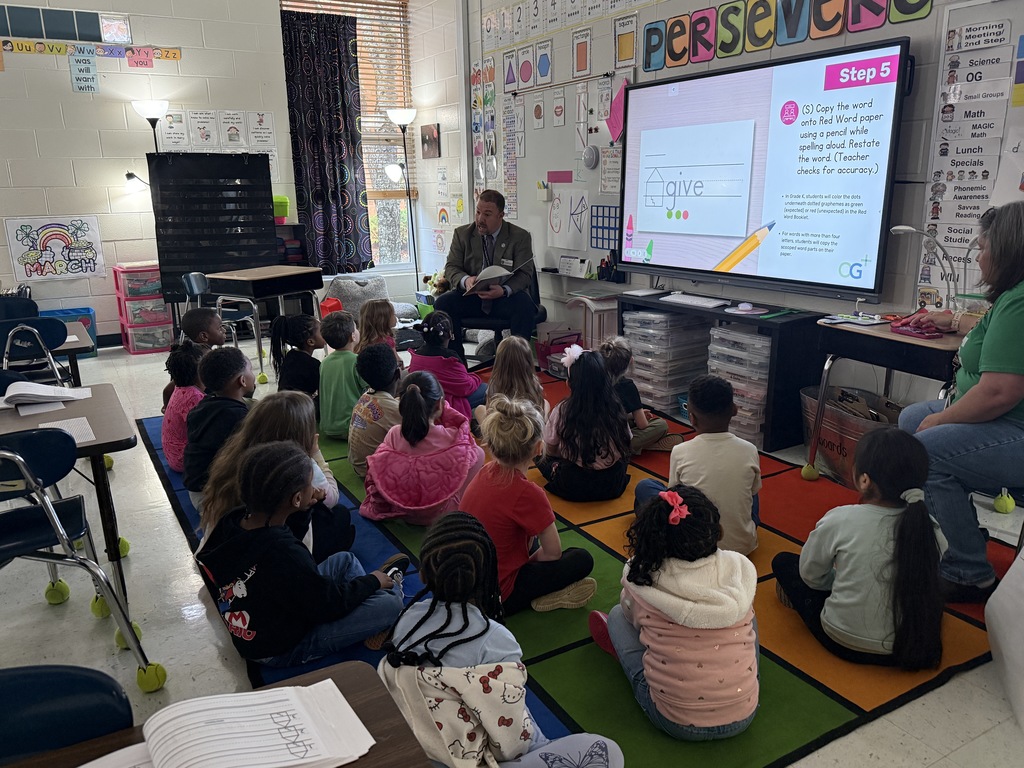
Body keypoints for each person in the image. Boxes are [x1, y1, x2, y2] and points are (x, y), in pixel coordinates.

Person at [379, 513, 624, 768]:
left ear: (423, 575)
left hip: (416, 744)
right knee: (607, 750)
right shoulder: (496, 639)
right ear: (488, 578)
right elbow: (511, 743)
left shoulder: (409, 618)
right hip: (466, 757)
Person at [898, 201, 1024, 602]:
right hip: (1004, 421)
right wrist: (950, 320)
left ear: (1006, 251)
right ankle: (959, 529)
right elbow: (988, 329)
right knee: (911, 418)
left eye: (983, 247)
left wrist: (945, 420)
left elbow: (1000, 392)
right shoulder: (1011, 299)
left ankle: (968, 571)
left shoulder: (1020, 303)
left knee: (925, 450)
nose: (979, 255)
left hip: (1013, 428)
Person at [196, 441, 407, 665]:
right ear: (296, 498)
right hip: (280, 647)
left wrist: (304, 508)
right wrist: (372, 581)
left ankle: (371, 600)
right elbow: (325, 605)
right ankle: (388, 596)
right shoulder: (285, 553)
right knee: (390, 605)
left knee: (344, 560)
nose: (314, 488)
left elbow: (281, 541)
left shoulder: (235, 519)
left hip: (262, 612)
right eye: (309, 485)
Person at [589, 484, 759, 741]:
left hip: (674, 720)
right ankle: (742, 671)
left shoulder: (643, 577)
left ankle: (648, 664)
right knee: (747, 612)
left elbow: (631, 618)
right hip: (744, 711)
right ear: (714, 530)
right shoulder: (738, 568)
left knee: (616, 615)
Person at [772, 428, 946, 669]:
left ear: (864, 480)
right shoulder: (930, 528)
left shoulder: (841, 518)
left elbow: (811, 577)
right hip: (912, 646)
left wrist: (841, 579)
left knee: (783, 562)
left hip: (844, 641)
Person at [462, 395, 596, 614]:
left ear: (492, 447)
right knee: (580, 558)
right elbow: (553, 553)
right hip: (499, 596)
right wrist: (529, 566)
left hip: (467, 584)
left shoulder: (484, 472)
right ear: (538, 448)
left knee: (530, 540)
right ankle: (543, 595)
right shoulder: (528, 493)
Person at [199, 391, 353, 562]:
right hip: (273, 554)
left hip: (230, 551)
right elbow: (332, 497)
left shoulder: (233, 457)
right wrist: (316, 454)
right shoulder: (296, 466)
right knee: (340, 516)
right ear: (301, 436)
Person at [633, 375, 761, 555]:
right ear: (734, 410)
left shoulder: (680, 451)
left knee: (645, 487)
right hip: (743, 548)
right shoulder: (750, 449)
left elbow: (673, 499)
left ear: (691, 418)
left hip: (693, 544)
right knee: (751, 491)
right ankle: (740, 531)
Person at [360, 371, 484, 525]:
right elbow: (470, 448)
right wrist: (455, 418)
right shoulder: (453, 439)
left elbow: (376, 475)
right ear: (439, 404)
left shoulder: (394, 434)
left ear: (402, 404)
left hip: (403, 512)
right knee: (478, 454)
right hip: (445, 515)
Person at [434, 189, 538, 362]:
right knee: (443, 303)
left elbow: (525, 274)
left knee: (524, 305)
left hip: (503, 298)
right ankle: (456, 365)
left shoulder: (520, 237)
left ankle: (517, 366)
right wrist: (466, 280)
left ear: (501, 215)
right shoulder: (462, 234)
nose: (480, 219)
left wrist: (504, 290)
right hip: (472, 297)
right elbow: (451, 267)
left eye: (487, 214)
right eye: (478, 212)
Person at [536, 346, 631, 502]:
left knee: (539, 452)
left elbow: (551, 450)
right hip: (612, 483)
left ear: (569, 383)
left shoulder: (563, 409)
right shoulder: (615, 406)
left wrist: (567, 451)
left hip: (574, 484)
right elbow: (626, 442)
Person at [182, 347, 254, 513]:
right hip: (214, 499)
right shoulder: (238, 416)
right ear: (242, 381)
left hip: (195, 491)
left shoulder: (204, 405)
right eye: (251, 369)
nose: (253, 373)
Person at [599, 336, 683, 453]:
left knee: (622, 422)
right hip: (611, 443)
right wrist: (638, 417)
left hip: (589, 436)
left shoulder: (592, 379)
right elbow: (642, 425)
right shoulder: (627, 386)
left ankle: (642, 445)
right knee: (661, 425)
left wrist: (631, 417)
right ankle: (639, 445)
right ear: (631, 361)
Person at [407, 310, 487, 420]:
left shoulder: (415, 355)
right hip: (444, 403)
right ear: (450, 334)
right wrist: (475, 377)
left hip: (422, 400)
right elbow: (465, 387)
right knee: (487, 388)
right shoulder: (450, 359)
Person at [349, 343, 402, 478]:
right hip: (374, 473)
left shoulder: (365, 396)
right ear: (398, 374)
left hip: (358, 466)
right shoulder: (394, 410)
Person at [474, 334, 548, 425]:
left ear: (499, 363)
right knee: (545, 403)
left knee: (479, 409)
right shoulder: (533, 381)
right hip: (528, 428)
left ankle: (492, 436)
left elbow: (489, 411)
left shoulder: (495, 383)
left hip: (502, 430)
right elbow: (538, 406)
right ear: (528, 362)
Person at [161, 307, 226, 410]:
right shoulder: (202, 359)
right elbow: (169, 390)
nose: (224, 330)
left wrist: (167, 408)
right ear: (204, 336)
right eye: (219, 328)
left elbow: (168, 390)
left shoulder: (188, 353)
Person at [161, 340, 208, 474]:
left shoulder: (180, 387)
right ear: (200, 371)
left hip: (174, 456)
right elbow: (206, 433)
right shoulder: (195, 398)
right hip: (184, 461)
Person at [319, 310, 365, 439]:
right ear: (353, 337)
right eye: (356, 329)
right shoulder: (357, 361)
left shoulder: (325, 362)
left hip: (327, 427)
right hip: (351, 427)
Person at [269, 313, 324, 398]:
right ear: (311, 342)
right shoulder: (312, 365)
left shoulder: (290, 356)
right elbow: (326, 392)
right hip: (298, 408)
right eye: (321, 330)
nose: (325, 332)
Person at [354, 299, 402, 368]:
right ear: (383, 320)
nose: (395, 317)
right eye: (393, 314)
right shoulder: (387, 341)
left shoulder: (358, 338)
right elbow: (397, 361)